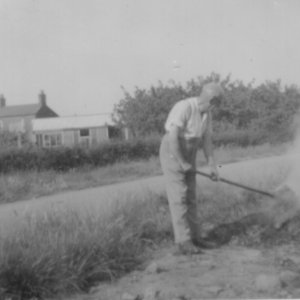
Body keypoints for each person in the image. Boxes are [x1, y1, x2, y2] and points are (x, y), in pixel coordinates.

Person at [159, 82, 224, 255]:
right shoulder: (184, 107)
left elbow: (207, 141)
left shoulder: (207, 114)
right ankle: (183, 242)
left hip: (190, 153)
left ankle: (196, 238)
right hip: (173, 153)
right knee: (179, 196)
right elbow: (172, 137)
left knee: (191, 197)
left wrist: (212, 167)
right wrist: (182, 162)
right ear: (210, 98)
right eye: (216, 101)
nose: (216, 105)